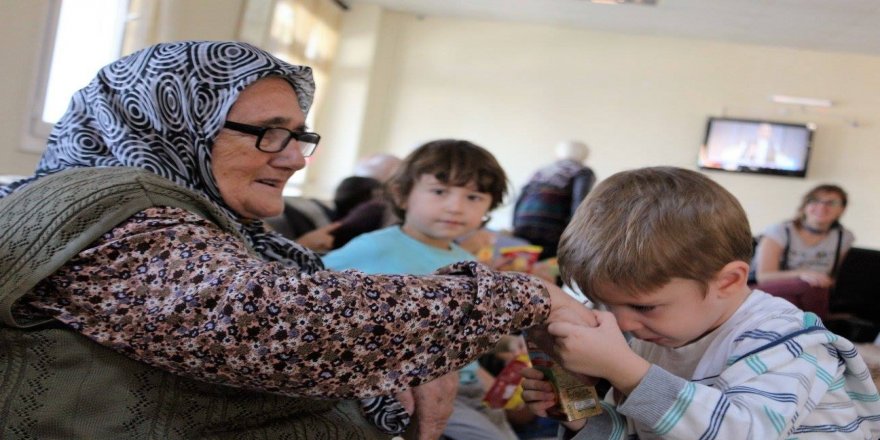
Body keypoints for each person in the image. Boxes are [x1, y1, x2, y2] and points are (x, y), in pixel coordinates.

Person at [0, 41, 595, 439]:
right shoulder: (112, 210)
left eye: (297, 135)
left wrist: (403, 361)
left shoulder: (193, 219)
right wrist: (515, 297)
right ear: (170, 121)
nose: (293, 159)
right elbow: (267, 323)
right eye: (266, 133)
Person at [521, 167, 880, 439]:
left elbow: (740, 432)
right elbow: (649, 429)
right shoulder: (653, 337)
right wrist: (582, 415)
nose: (624, 324)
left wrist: (625, 370)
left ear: (728, 281)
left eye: (643, 307)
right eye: (607, 305)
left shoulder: (785, 341)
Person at [324, 139, 521, 440]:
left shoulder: (468, 263)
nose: (455, 207)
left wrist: (505, 343)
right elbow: (311, 289)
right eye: (440, 192)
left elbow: (472, 327)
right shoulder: (373, 247)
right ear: (403, 195)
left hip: (472, 387)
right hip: (419, 391)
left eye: (474, 197)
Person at [753, 184, 854, 289]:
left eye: (831, 203)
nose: (822, 207)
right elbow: (763, 277)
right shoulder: (779, 232)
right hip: (777, 293)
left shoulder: (844, 237)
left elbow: (834, 278)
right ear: (805, 206)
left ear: (842, 209)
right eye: (815, 201)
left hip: (817, 292)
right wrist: (801, 275)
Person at [512, 140, 595, 260]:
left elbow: (519, 199)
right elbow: (579, 203)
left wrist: (515, 226)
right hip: (552, 228)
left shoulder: (542, 171)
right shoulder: (582, 172)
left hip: (523, 225)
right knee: (552, 265)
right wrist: (576, 233)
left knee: (525, 262)